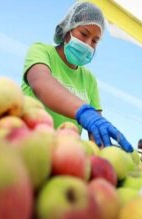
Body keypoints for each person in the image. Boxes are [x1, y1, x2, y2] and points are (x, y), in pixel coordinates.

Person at [21, 1, 133, 152]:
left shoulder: (89, 79)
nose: (88, 44)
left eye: (95, 41)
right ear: (68, 29)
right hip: (28, 145)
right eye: (84, 34)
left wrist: (107, 154)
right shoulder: (41, 51)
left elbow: (95, 132)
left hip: (65, 156)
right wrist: (84, 112)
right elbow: (41, 83)